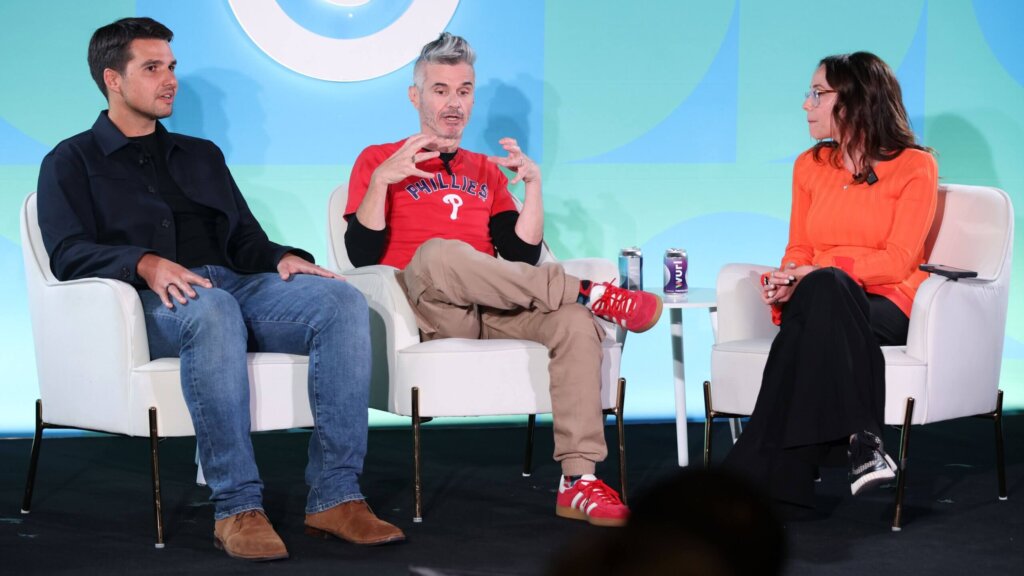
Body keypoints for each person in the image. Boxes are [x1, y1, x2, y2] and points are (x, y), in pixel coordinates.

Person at [36, 17, 404, 561]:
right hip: (151, 304)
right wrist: (145, 263)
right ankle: (236, 506)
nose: (170, 80)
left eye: (172, 66)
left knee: (340, 301)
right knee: (212, 310)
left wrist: (284, 260)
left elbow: (247, 240)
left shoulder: (200, 153)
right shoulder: (71, 161)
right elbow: (67, 253)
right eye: (153, 67)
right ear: (113, 79)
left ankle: (336, 496)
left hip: (231, 285)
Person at [344, 32, 664, 527]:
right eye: (441, 89)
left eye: (465, 90)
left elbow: (520, 253)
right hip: (423, 307)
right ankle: (589, 289)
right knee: (440, 252)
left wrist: (532, 187)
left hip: (489, 307)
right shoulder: (378, 159)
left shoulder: (486, 172)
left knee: (575, 322)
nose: (454, 103)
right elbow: (357, 253)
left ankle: (578, 481)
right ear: (416, 96)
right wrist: (384, 180)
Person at [723, 52, 938, 511]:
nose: (806, 104)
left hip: (885, 307)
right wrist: (786, 278)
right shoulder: (809, 165)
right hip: (818, 301)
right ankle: (862, 442)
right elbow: (799, 247)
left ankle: (761, 472)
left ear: (856, 101)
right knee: (820, 295)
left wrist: (822, 271)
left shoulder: (914, 166)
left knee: (823, 294)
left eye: (817, 93)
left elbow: (898, 262)